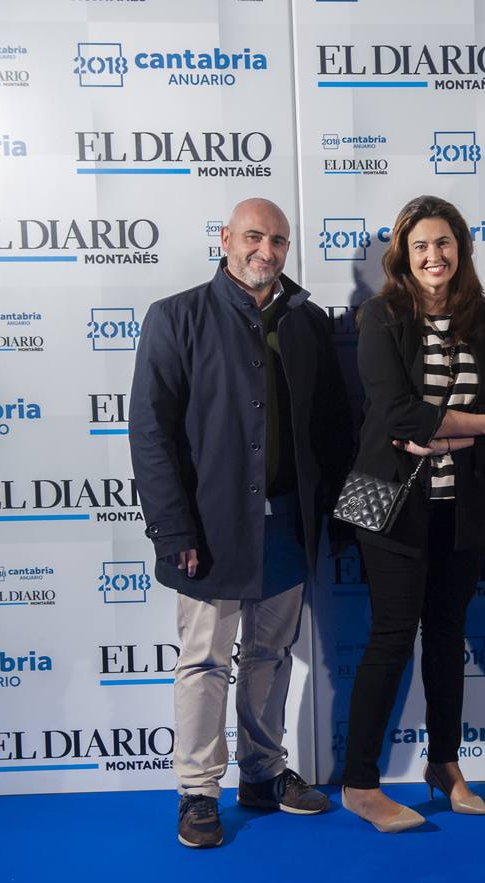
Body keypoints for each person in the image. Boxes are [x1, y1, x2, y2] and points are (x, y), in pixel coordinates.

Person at [130, 198, 354, 849]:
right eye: (254, 236)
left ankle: (262, 772)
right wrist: (174, 534)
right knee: (204, 660)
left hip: (288, 522)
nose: (267, 250)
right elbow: (151, 435)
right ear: (225, 239)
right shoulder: (176, 316)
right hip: (208, 528)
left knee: (269, 654)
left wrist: (336, 522)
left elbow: (332, 429)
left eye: (279, 241)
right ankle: (199, 792)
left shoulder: (308, 322)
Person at [339, 196, 485, 832]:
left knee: (447, 637)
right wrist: (477, 424)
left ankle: (444, 763)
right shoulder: (380, 315)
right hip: (380, 496)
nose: (433, 256)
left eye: (443, 244)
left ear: (462, 251)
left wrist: (447, 433)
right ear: (403, 256)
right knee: (391, 637)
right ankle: (360, 784)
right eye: (420, 247)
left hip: (464, 502)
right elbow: (393, 415)